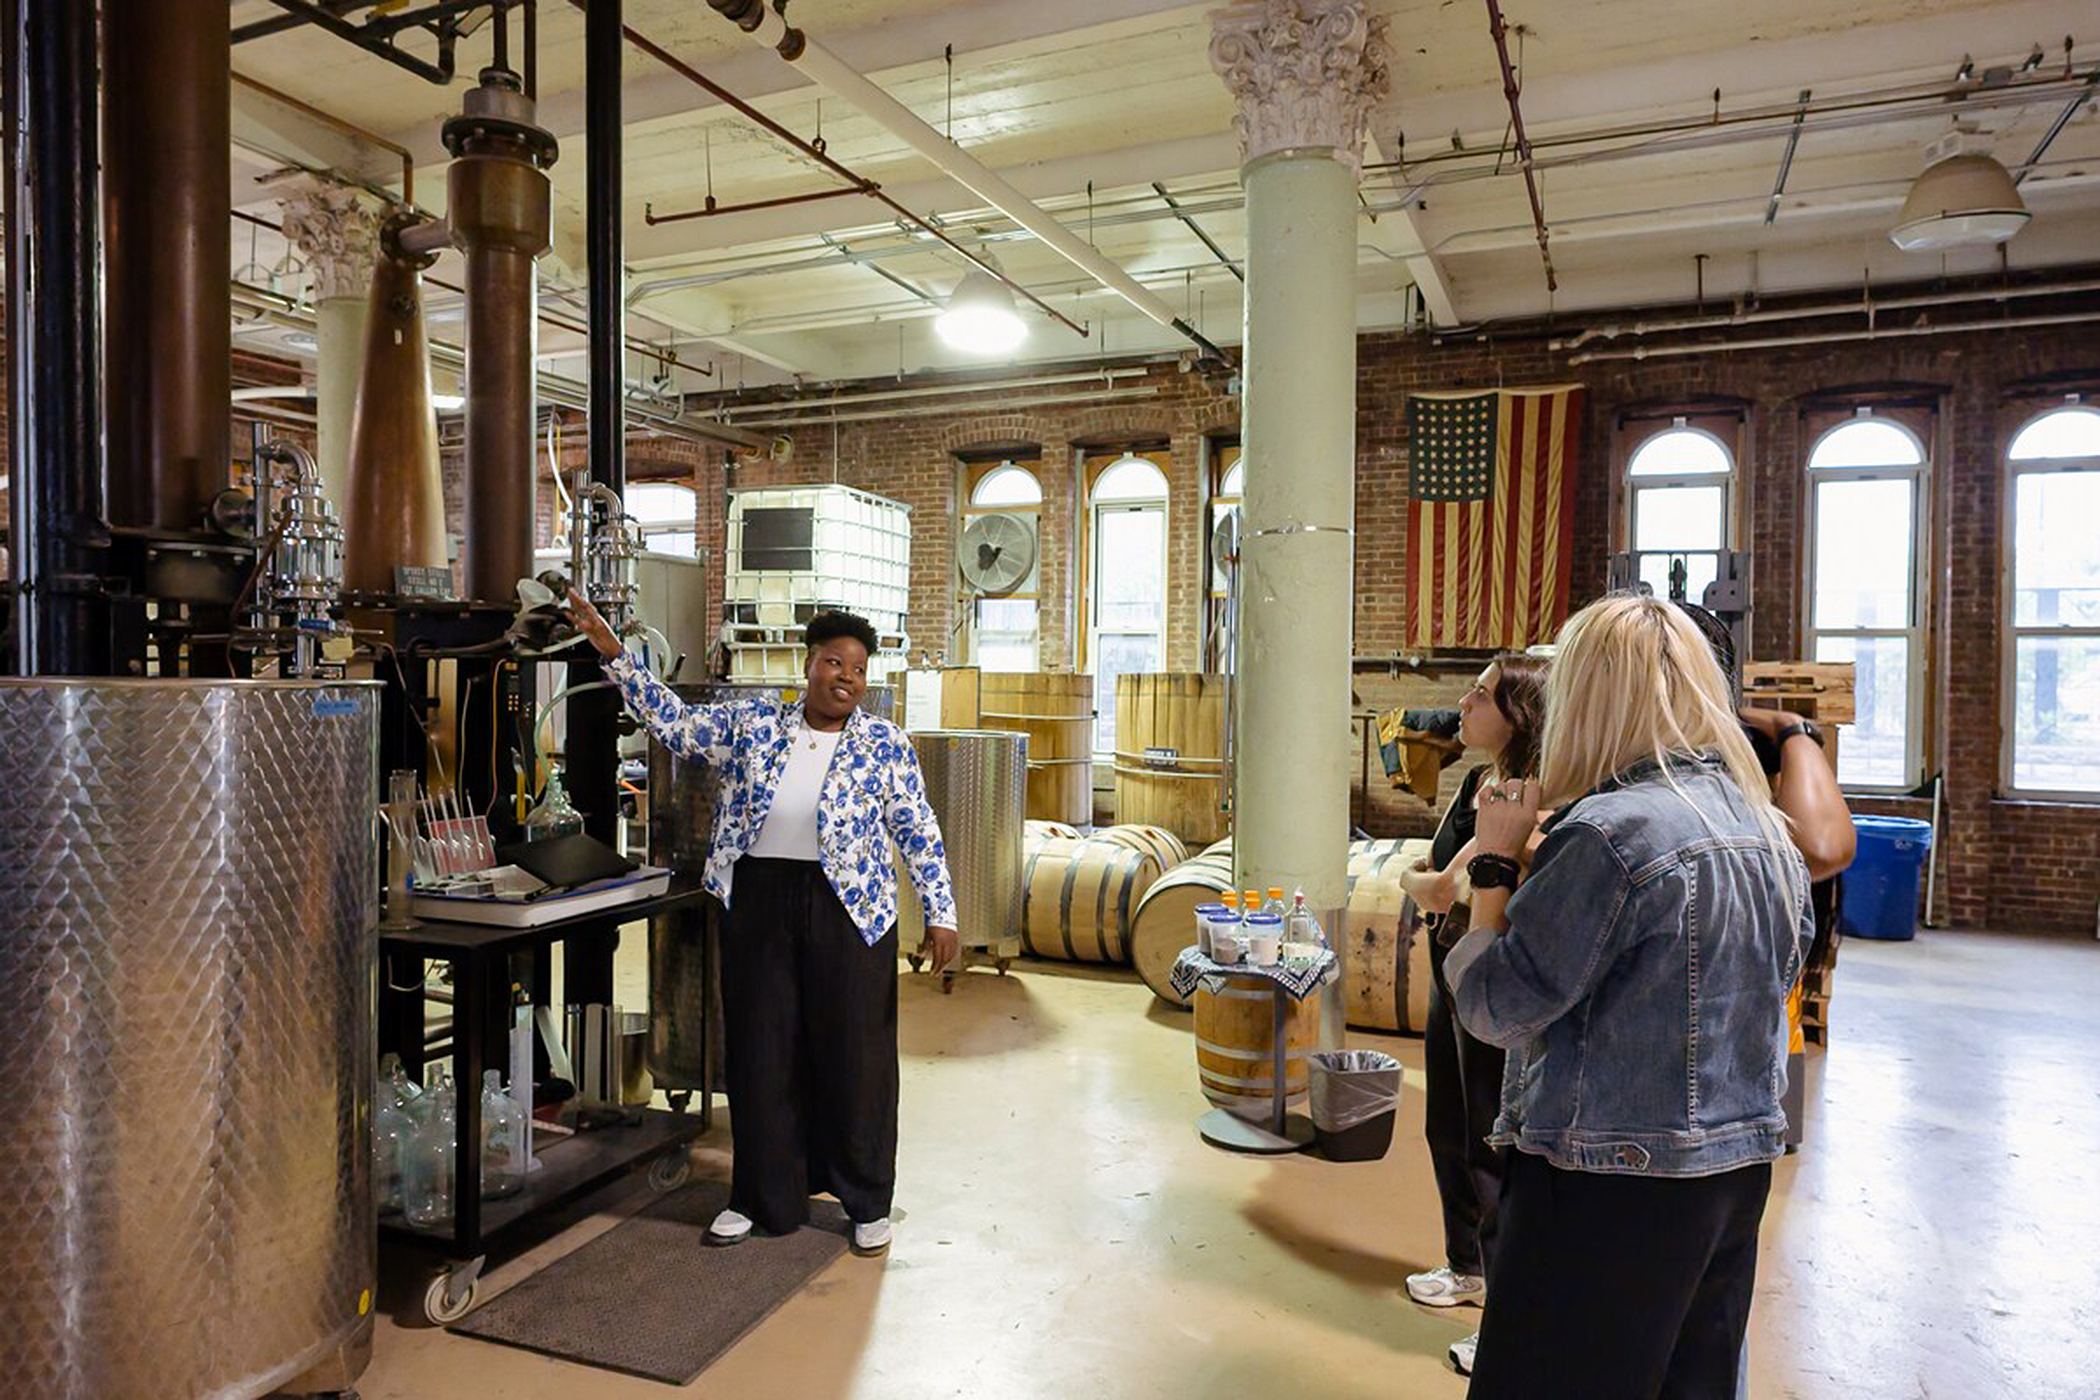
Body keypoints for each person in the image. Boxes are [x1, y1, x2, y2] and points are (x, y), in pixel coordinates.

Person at [1446, 594, 1812, 1400]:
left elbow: (1497, 1008)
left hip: (1604, 1182)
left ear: (1590, 695)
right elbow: (1783, 973)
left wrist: (1494, 868)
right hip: (1735, 1173)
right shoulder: (1766, 827)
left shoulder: (1609, 832)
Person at [565, 592, 959, 1257]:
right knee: (763, 1050)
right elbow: (679, 727)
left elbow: (917, 832)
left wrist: (941, 913)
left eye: (859, 670)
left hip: (851, 911)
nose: (847, 679)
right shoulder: (754, 724)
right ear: (810, 665)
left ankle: (865, 1199)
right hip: (759, 901)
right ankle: (760, 1196)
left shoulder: (886, 745)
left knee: (856, 1057)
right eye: (835, 663)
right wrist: (617, 658)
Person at [1396, 654, 1548, 1378]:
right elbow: (1441, 880)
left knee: (1491, 1137)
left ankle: (1508, 1320)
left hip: (1491, 976)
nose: (1464, 701)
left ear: (1519, 713)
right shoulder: (1475, 783)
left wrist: (1427, 883)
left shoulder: (1528, 792)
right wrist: (1431, 884)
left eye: (1481, 693)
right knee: (1447, 1124)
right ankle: (1466, 1266)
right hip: (1450, 964)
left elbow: (1437, 883)